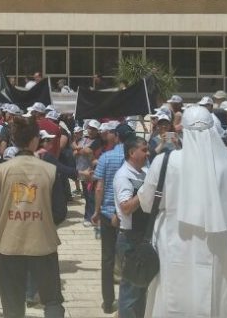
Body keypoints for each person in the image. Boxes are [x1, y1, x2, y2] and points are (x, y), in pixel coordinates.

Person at [137, 105, 227, 317]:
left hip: (173, 238)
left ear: (183, 130)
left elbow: (147, 203)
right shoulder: (225, 164)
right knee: (215, 294)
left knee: (173, 293)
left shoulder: (165, 161)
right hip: (215, 241)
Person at [0, 116, 68, 318]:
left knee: (13, 306)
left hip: (8, 245)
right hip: (43, 244)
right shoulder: (50, 170)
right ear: (35, 139)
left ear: (13, 139)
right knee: (52, 300)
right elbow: (60, 212)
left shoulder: (1, 171)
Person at [113, 137, 150, 318]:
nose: (147, 153)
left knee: (140, 291)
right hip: (130, 240)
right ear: (131, 153)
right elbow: (126, 208)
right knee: (130, 294)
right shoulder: (123, 176)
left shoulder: (143, 173)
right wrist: (144, 190)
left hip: (141, 238)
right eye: (144, 150)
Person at [92, 120, 124, 314]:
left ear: (117, 136)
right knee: (128, 256)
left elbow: (99, 187)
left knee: (107, 258)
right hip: (128, 214)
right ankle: (128, 298)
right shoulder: (137, 156)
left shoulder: (106, 157)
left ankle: (108, 300)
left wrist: (96, 211)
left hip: (107, 212)